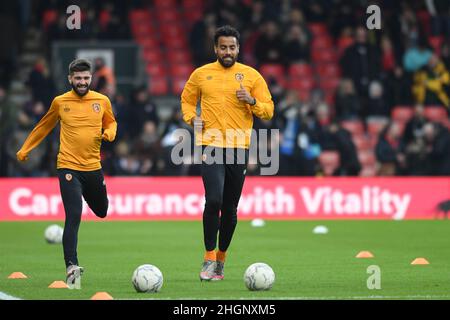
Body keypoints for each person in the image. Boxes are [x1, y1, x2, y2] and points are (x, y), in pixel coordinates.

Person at [181, 25, 274, 281]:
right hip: (211, 144)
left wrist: (252, 102)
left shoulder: (251, 76)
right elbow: (187, 100)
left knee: (230, 208)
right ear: (215, 48)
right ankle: (209, 256)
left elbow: (269, 109)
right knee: (213, 200)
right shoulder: (201, 74)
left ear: (238, 48)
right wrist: (192, 117)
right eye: (223, 47)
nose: (228, 51)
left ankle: (221, 258)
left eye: (232, 47)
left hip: (238, 146)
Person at [16, 59, 117, 289]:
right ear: (70, 79)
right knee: (74, 215)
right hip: (68, 167)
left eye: (86, 78)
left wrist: (109, 133)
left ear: (91, 78)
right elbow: (43, 126)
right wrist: (25, 148)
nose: (82, 82)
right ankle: (72, 267)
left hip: (93, 168)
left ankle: (73, 266)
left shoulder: (102, 101)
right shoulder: (60, 102)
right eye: (78, 78)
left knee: (102, 211)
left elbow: (111, 123)